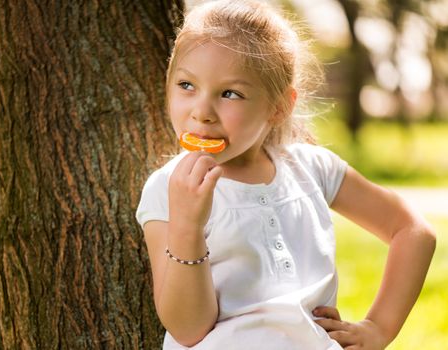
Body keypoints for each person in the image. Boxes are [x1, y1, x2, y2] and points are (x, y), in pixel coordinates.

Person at [136, 0, 436, 349]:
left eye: (230, 93)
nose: (201, 112)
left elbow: (413, 231)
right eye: (186, 85)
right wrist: (187, 225)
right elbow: (189, 329)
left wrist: (378, 327)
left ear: (279, 107)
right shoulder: (166, 188)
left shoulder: (312, 169)